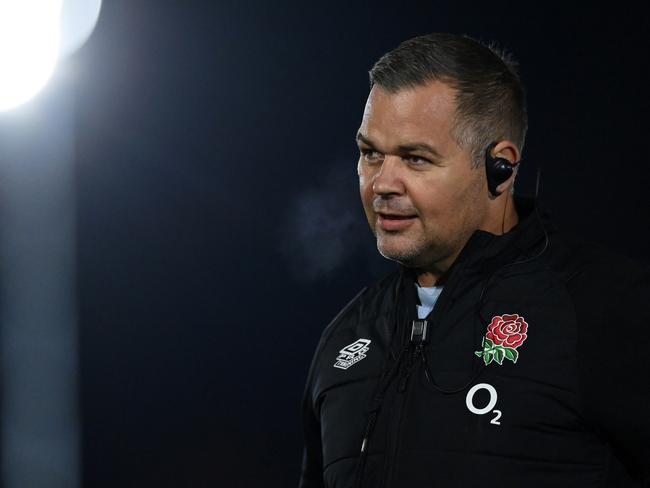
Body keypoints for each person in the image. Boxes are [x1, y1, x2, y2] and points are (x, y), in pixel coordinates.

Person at [298, 33, 650, 488]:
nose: (382, 183)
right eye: (371, 154)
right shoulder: (344, 339)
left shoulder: (610, 308)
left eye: (415, 158)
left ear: (499, 169)